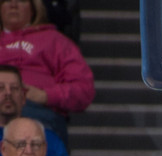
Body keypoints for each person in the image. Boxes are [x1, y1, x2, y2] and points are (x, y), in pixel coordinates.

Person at [0, 0, 94, 144]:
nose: (13, 4)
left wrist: (45, 95)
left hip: (39, 115)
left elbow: (84, 89)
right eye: (6, 0)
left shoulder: (55, 41)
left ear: (33, 9)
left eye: (21, 0)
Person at [0, 64, 70, 156]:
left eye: (14, 88)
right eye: (1, 88)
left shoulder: (47, 139)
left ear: (23, 97)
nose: (8, 93)